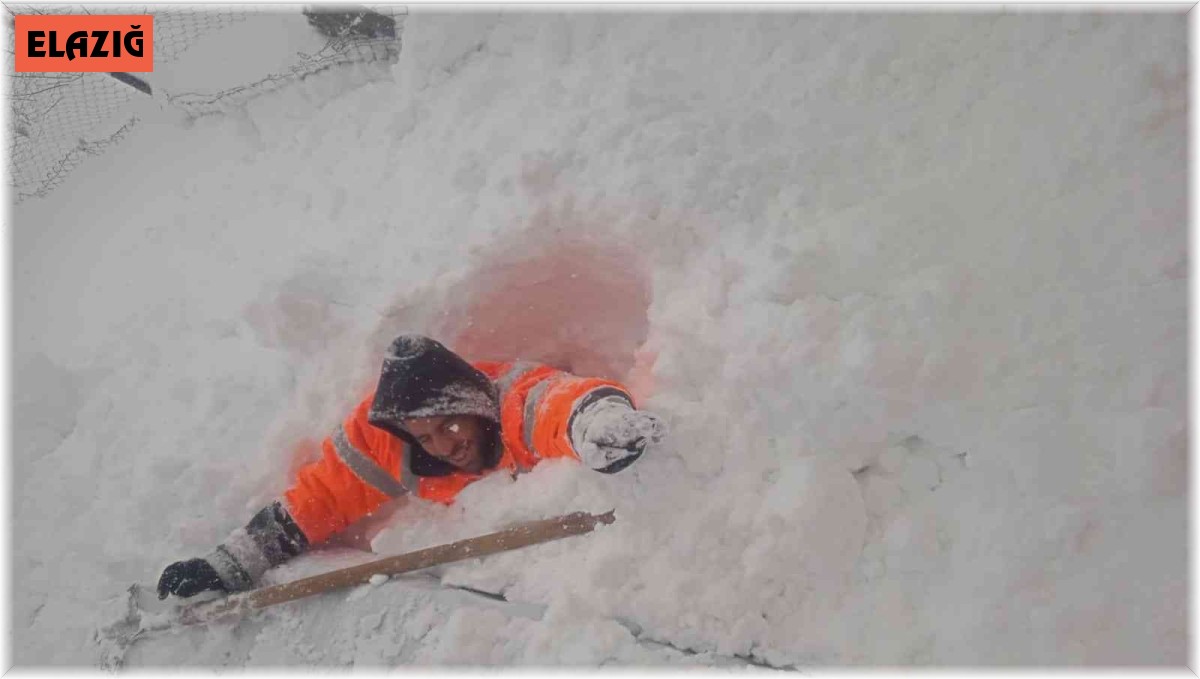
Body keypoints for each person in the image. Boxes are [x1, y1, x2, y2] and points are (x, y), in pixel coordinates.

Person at [156, 334, 666, 599]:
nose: (444, 446)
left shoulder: (511, 402)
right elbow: (320, 500)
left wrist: (597, 424)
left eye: (450, 427)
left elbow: (558, 404)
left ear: (473, 404)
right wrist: (230, 563)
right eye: (424, 437)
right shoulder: (387, 443)